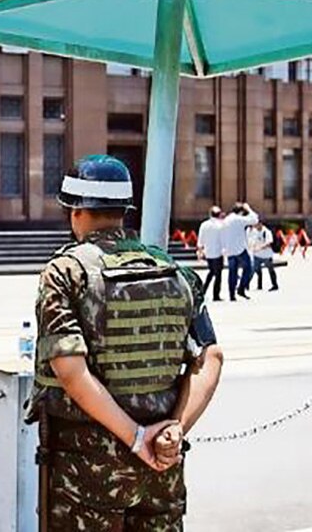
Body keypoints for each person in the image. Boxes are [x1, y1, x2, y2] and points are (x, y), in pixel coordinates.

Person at [24, 154, 223, 531]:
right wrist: (173, 431)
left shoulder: (65, 272)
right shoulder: (173, 270)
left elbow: (70, 371)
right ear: (123, 210)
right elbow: (211, 357)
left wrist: (135, 438)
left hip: (86, 470)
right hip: (162, 469)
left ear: (75, 211)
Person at [221, 201, 258, 301]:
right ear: (241, 212)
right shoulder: (238, 219)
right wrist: (249, 208)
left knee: (232, 272)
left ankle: (232, 295)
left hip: (229, 250)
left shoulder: (226, 220)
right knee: (249, 268)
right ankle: (241, 288)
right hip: (240, 249)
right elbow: (254, 220)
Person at [196, 206, 225, 302]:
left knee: (212, 272)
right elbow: (224, 239)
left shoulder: (204, 225)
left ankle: (203, 291)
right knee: (218, 275)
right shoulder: (221, 225)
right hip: (218, 252)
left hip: (208, 253)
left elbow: (200, 239)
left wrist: (200, 251)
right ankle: (215, 295)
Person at [248, 221, 278, 291]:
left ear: (261, 224)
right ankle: (246, 285)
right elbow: (252, 241)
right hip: (257, 255)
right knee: (253, 270)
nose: (255, 226)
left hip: (266, 256)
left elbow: (269, 243)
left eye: (257, 225)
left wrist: (260, 247)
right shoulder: (254, 232)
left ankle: (275, 285)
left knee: (271, 270)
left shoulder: (267, 232)